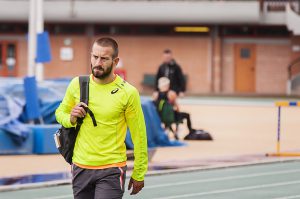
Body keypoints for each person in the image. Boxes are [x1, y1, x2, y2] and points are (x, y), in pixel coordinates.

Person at [55, 37, 148, 199]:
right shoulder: (77, 84)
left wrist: (139, 172)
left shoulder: (128, 93)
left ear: (115, 61)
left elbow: (139, 134)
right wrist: (70, 118)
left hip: (111, 168)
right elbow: (59, 113)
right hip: (80, 166)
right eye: (95, 57)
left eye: (104, 58)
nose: (98, 62)